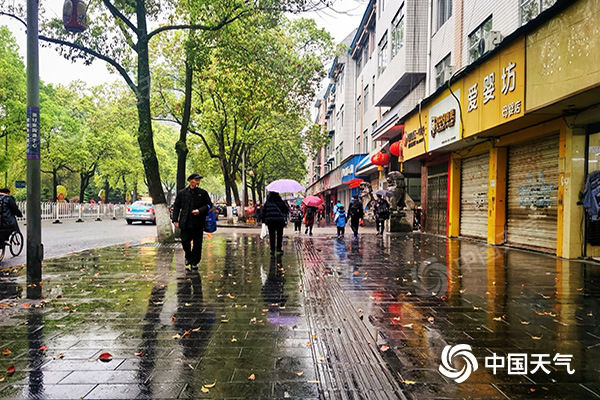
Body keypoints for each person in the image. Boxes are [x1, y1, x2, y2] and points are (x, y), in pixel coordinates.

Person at [172, 173, 213, 271]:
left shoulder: (203, 193)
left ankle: (194, 262)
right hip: (185, 222)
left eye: (199, 180)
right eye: (196, 179)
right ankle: (188, 256)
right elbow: (176, 206)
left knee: (197, 244)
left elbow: (209, 205)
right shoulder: (182, 193)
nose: (198, 181)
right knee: (185, 241)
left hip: (198, 223)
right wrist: (175, 219)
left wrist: (199, 210)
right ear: (190, 181)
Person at [262, 191, 289, 256]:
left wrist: (263, 221)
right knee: (279, 235)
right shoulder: (280, 201)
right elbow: (286, 210)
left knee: (272, 235)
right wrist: (285, 204)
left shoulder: (267, 202)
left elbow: (263, 212)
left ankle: (272, 249)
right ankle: (279, 248)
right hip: (279, 221)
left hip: (270, 221)